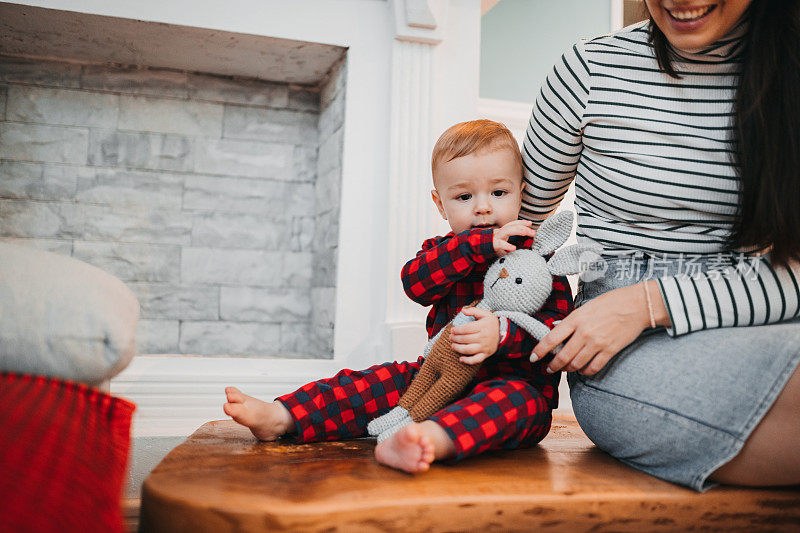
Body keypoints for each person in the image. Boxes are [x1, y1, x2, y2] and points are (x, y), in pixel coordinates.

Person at [522, 0, 800, 491]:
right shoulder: (589, 70)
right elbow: (512, 233)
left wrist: (649, 303)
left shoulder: (789, 74)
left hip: (758, 306)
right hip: (621, 350)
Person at [223, 120, 573, 473]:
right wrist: (477, 246)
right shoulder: (445, 252)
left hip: (516, 388)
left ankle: (426, 439)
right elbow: (416, 284)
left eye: (498, 193)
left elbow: (557, 331)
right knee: (373, 384)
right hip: (434, 381)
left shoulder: (541, 260)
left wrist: (501, 334)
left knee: (512, 403)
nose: (483, 207)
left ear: (521, 193)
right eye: (464, 196)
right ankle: (282, 416)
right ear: (440, 204)